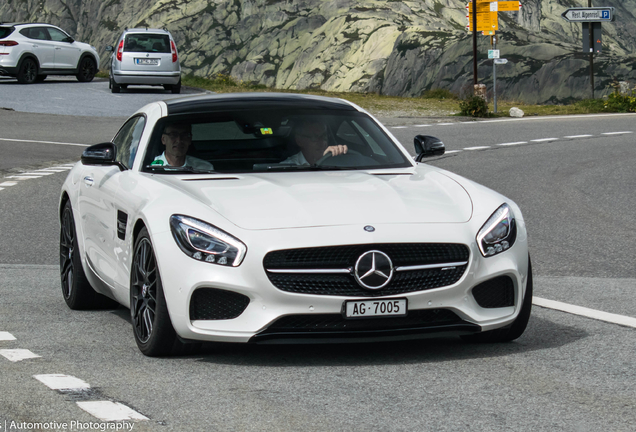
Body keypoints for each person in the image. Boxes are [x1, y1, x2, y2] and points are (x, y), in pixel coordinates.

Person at [281, 119, 348, 165]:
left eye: (324, 136)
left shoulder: (335, 161)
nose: (322, 142)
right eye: (315, 138)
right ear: (299, 141)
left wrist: (339, 157)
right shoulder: (287, 167)